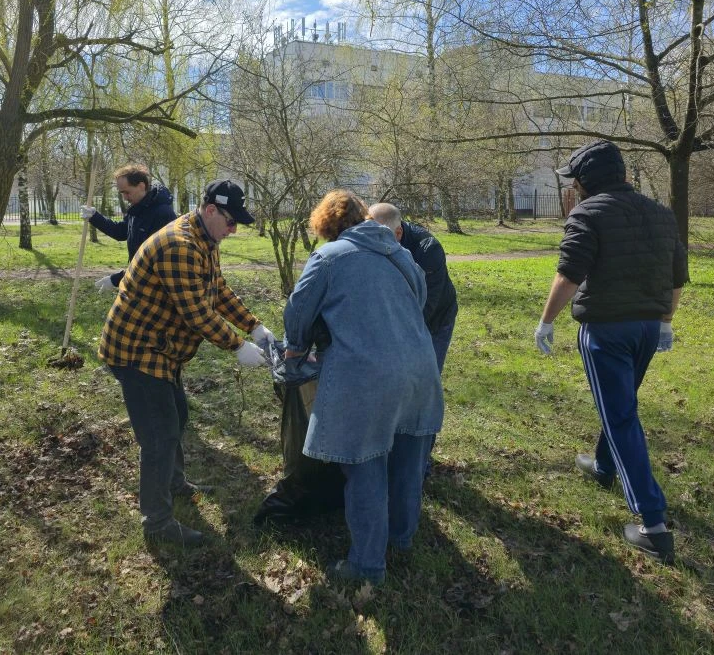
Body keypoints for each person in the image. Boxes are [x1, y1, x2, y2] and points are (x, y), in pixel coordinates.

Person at [534, 140, 688, 564]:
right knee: (621, 405)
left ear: (587, 181)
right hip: (647, 328)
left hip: (605, 330)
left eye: (575, 180)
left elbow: (569, 274)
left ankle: (653, 525)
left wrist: (546, 320)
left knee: (620, 416)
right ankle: (603, 468)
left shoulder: (587, 213)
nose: (574, 187)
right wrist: (665, 321)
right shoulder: (661, 213)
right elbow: (677, 276)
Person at [98, 179, 275, 547]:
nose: (233, 229)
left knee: (177, 416)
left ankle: (174, 483)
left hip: (162, 349)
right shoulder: (180, 245)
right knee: (159, 436)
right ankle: (157, 522)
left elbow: (217, 290)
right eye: (230, 221)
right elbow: (196, 313)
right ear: (210, 210)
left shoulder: (205, 239)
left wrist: (254, 326)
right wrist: (236, 345)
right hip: (137, 351)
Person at [283, 190, 444, 585]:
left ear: (327, 227)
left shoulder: (329, 257)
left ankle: (367, 566)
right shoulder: (402, 255)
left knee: (365, 464)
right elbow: (419, 302)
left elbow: (299, 311)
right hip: (420, 370)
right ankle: (401, 539)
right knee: (408, 462)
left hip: (367, 378)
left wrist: (297, 348)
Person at [368, 202, 457, 476]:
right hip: (396, 322)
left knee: (423, 389)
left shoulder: (428, 249)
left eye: (378, 235)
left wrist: (399, 339)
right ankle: (391, 453)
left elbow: (427, 306)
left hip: (434, 323)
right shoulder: (373, 241)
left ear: (397, 234)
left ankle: (420, 464)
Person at [81, 164, 178, 293]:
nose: (125, 197)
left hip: (156, 290)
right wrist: (94, 217)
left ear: (141, 186)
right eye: (122, 193)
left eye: (127, 192)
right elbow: (121, 232)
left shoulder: (162, 214)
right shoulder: (137, 208)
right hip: (138, 282)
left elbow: (152, 262)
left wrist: (116, 279)